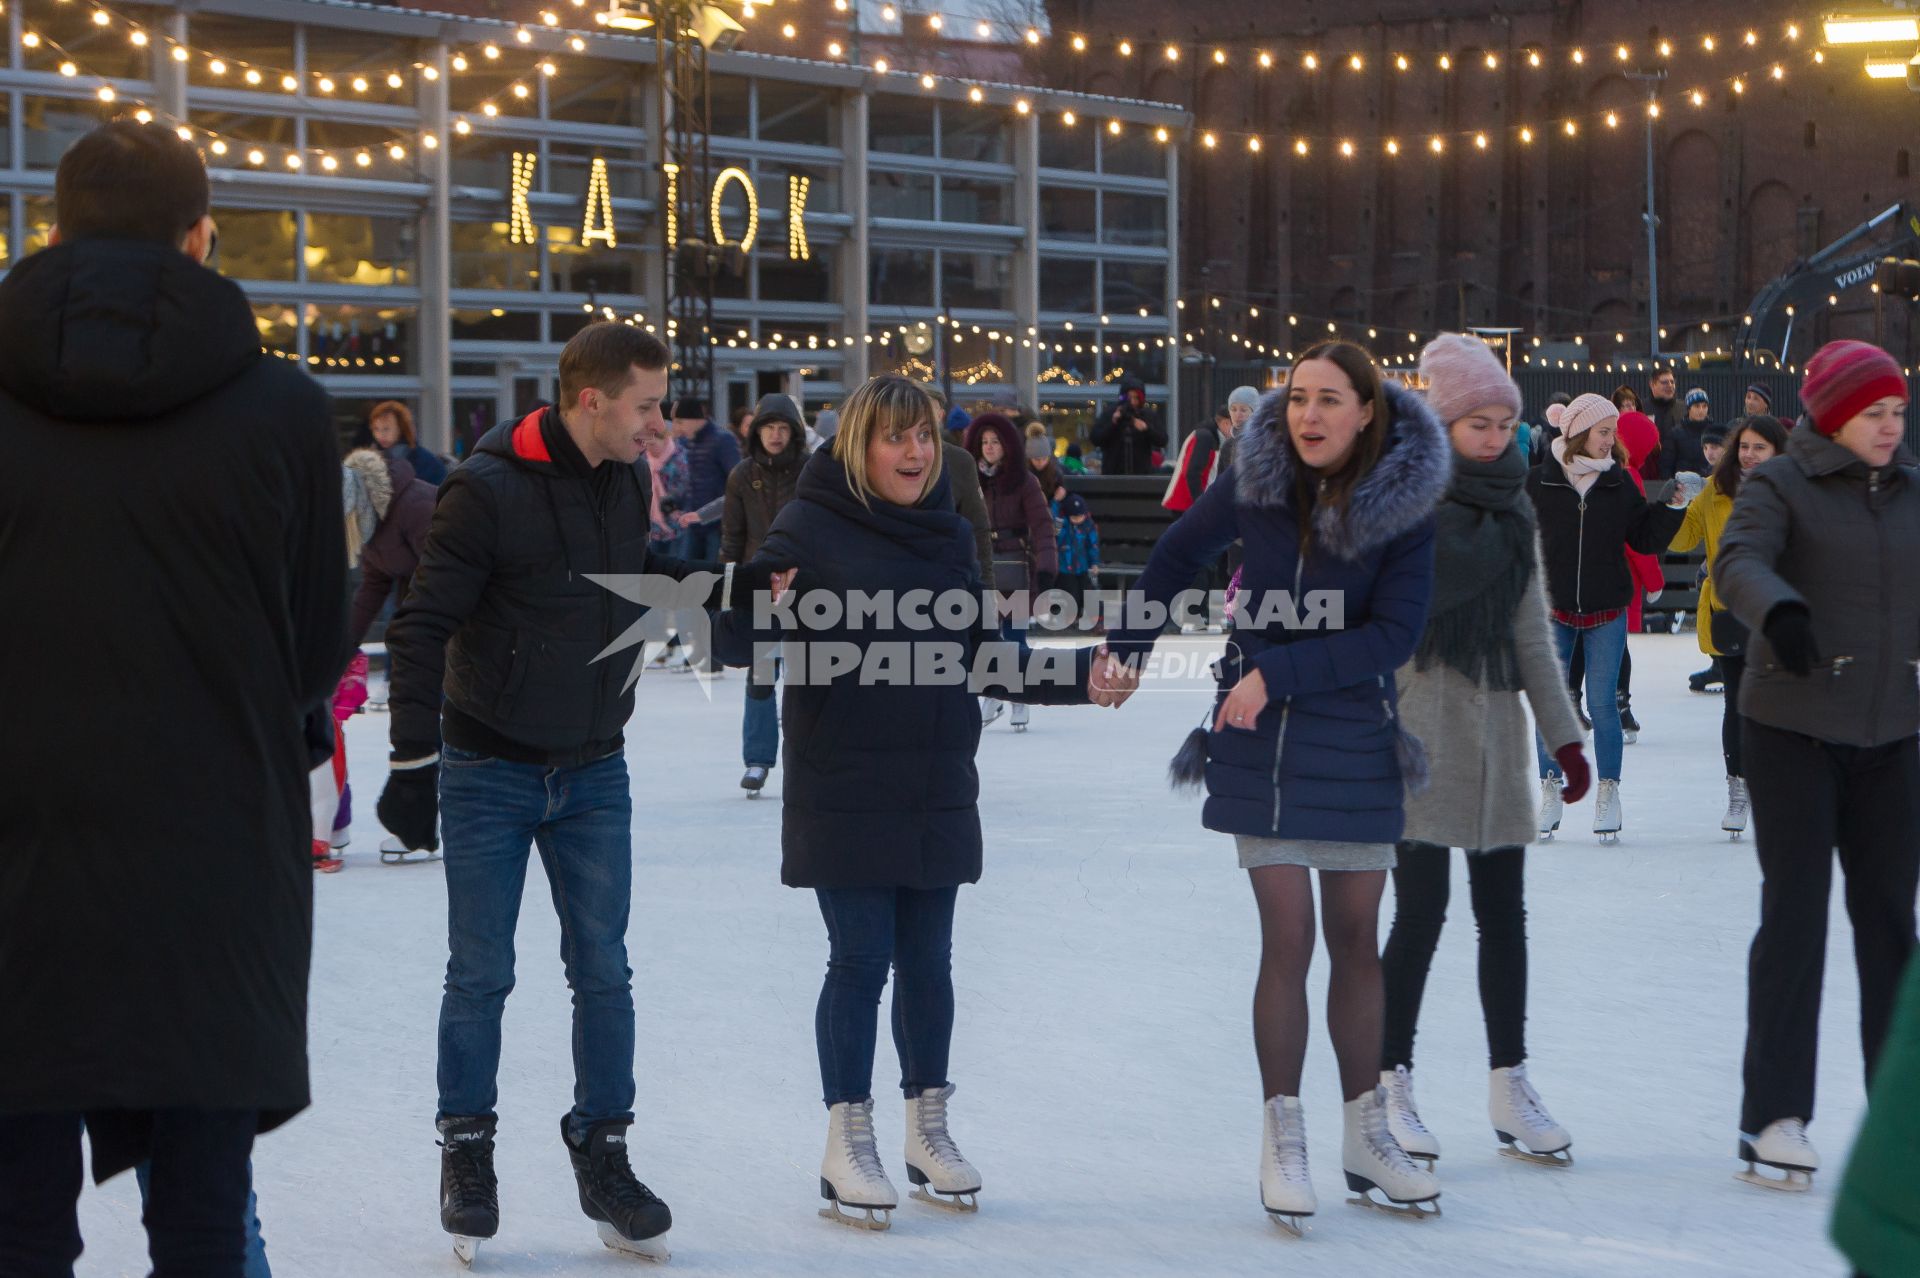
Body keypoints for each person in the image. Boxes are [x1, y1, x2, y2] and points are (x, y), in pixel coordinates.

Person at [0, 120, 347, 1275]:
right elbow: (312, 647)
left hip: (15, 857)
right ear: (202, 238)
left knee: (12, 1221)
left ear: (51, 232)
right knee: (202, 1217)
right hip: (209, 859)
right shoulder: (287, 411)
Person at [707, 374, 1120, 1230]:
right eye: (897, 437)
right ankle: (845, 1138)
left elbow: (986, 658)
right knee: (860, 959)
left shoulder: (945, 533)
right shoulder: (810, 523)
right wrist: (757, 598)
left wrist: (1084, 675)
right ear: (860, 444)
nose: (916, 452)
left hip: (934, 777)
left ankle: (927, 1128)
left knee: (929, 962)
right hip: (844, 778)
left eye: (926, 437)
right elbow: (733, 632)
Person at [378, 324, 735, 1264]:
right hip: (488, 767)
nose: (661, 426)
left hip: (593, 767)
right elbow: (419, 629)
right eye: (649, 405)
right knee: (481, 973)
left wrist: (712, 589)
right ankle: (468, 1152)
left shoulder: (622, 479)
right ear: (592, 400)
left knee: (604, 970)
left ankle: (603, 1151)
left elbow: (621, 584)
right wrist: (413, 761)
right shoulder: (482, 491)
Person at [1109, 341, 1448, 1229]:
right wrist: (1130, 646)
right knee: (1289, 935)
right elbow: (1179, 552)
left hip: (1353, 734)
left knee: (1355, 937)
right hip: (1258, 739)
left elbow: (1394, 634)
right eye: (1299, 398)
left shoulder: (1405, 503)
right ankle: (1282, 1134)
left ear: (1368, 411)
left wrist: (1280, 676)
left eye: (1330, 400)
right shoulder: (1255, 476)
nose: (1309, 416)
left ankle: (1366, 1134)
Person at [1375, 336, 1591, 1175]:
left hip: (1498, 735)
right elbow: (1383, 628)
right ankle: (1389, 1080)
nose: (1497, 438)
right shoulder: (1402, 507)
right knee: (1420, 914)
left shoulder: (1516, 511)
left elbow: (1533, 632)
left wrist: (1565, 738)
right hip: (1419, 735)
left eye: (1506, 423)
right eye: (1479, 423)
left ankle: (1510, 1080)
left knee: (1504, 916)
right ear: (1444, 421)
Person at [1714, 339, 1920, 1193]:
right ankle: (1773, 1116)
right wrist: (1781, 610)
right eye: (1874, 411)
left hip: (1894, 732)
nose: (1890, 426)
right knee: (1796, 917)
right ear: (1835, 413)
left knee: (1890, 929)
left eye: (1899, 412)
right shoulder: (1779, 482)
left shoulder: (1911, 490)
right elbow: (1738, 562)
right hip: (1792, 729)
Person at [1528, 394, 1688, 843]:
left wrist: (1672, 507)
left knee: (1602, 704)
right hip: (1554, 610)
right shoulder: (1539, 482)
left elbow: (1643, 536)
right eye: (1603, 431)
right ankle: (1550, 788)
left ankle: (1608, 791)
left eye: (1612, 432)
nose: (1610, 440)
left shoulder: (1619, 483)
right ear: (1579, 432)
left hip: (1606, 610)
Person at [1669, 415, 1789, 839]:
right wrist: (1678, 503)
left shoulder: (1793, 495)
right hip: (1731, 612)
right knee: (1737, 703)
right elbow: (1681, 540)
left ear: (1777, 453)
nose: (1751, 455)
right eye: (1745, 447)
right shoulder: (1715, 495)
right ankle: (1738, 788)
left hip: (1777, 614)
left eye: (1761, 448)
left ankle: (1776, 788)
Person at [722, 394, 811, 794]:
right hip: (759, 586)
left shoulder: (812, 472)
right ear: (756, 431)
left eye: (782, 428)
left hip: (810, 586)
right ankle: (757, 759)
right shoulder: (742, 475)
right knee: (761, 676)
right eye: (768, 427)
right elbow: (732, 537)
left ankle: (810, 756)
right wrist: (727, 588)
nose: (775, 435)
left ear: (793, 431)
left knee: (811, 675)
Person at [966, 412, 1059, 732]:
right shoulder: (970, 480)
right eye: (984, 442)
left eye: (995, 442)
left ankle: (1020, 696)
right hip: (982, 568)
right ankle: (993, 693)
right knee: (987, 636)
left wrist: (1047, 567)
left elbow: (1043, 526)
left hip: (1016, 565)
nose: (989, 448)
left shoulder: (1023, 481)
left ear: (1007, 445)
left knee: (1016, 636)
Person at [668, 396, 742, 565]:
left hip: (716, 523)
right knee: (686, 571)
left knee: (713, 572)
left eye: (679, 422)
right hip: (691, 521)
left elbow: (737, 479)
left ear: (694, 419)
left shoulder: (723, 440)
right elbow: (687, 480)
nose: (677, 428)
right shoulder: (686, 442)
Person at [1090, 375, 1166, 475]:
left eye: (1136, 398)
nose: (1133, 402)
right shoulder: (1110, 413)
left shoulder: (1147, 416)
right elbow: (1095, 438)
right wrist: (1113, 424)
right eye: (1129, 398)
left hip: (1141, 478)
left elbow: (1163, 440)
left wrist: (1147, 429)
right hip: (1113, 477)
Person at [1164, 405, 1229, 512]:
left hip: (1187, 503)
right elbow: (1192, 472)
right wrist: (1201, 503)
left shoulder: (1206, 435)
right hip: (1188, 504)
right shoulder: (1205, 437)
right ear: (1225, 422)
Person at [369, 399, 449, 486]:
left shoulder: (427, 463)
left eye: (386, 429)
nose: (380, 434)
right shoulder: (370, 460)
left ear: (402, 428)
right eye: (376, 429)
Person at [1054, 492, 1102, 627]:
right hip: (1065, 567)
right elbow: (1055, 536)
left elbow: (1092, 545)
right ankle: (1070, 617)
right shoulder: (1062, 525)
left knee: (1089, 591)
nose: (1078, 519)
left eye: (1080, 516)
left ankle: (1096, 619)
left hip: (1083, 566)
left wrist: (1094, 563)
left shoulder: (1088, 525)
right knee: (1071, 592)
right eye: (1074, 517)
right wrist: (1055, 504)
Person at [1661, 388, 1714, 478]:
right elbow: (1666, 466)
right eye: (1697, 406)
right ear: (1689, 408)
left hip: (1708, 485)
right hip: (1683, 486)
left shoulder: (1714, 433)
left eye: (1704, 406)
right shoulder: (1675, 434)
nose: (1701, 410)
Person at [1026, 434, 1067, 505]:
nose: (1041, 463)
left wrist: (1060, 494)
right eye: (1037, 459)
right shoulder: (1024, 472)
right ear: (1030, 458)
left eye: (1044, 459)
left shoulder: (1055, 472)